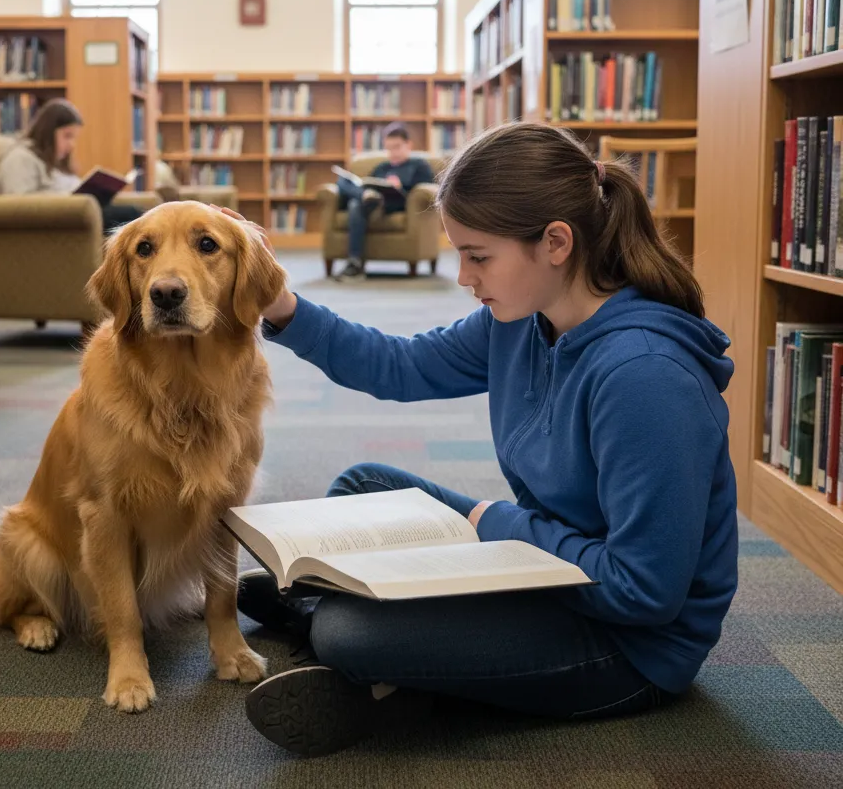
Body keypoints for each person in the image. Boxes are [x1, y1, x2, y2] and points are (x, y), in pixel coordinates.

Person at [225, 121, 737, 758]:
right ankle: (350, 643)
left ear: (555, 242)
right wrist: (283, 308)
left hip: (627, 645)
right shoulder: (524, 320)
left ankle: (345, 648)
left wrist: (494, 523)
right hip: (547, 568)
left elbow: (644, 592)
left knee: (353, 631)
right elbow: (400, 365)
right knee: (364, 485)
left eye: (478, 255)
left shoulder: (645, 378)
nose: (463, 275)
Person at [0, 98, 142, 233]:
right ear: (48, 132)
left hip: (79, 213)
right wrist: (66, 199)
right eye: (67, 136)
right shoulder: (20, 158)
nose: (71, 145)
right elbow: (17, 206)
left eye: (74, 138)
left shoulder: (55, 163)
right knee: (133, 215)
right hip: (61, 217)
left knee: (136, 213)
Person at [333, 122, 436, 281]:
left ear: (408, 145)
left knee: (356, 204)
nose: (393, 152)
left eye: (397, 147)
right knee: (344, 183)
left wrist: (400, 186)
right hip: (372, 203)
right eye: (389, 148)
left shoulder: (419, 166)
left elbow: (426, 190)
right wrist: (367, 188)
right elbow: (370, 180)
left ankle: (355, 263)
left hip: (396, 203)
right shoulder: (382, 167)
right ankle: (364, 195)